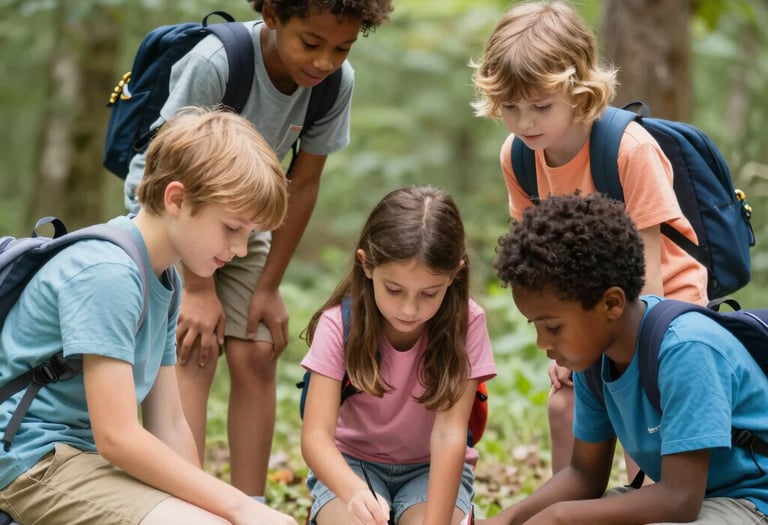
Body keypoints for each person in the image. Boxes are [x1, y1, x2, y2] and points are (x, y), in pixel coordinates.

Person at [122, 0, 394, 501]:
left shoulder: (335, 83)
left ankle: (251, 504)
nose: (324, 62)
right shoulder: (216, 63)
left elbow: (304, 184)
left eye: (342, 48)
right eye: (310, 43)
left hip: (245, 216)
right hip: (173, 212)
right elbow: (173, 173)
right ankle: (188, 499)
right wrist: (199, 290)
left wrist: (268, 286)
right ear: (272, 15)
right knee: (193, 347)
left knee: (260, 350)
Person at [0, 107, 298, 525]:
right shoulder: (109, 274)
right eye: (232, 228)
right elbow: (118, 437)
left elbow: (170, 423)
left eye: (249, 234)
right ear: (176, 198)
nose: (241, 250)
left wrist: (221, 505)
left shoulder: (163, 279)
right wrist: (239, 505)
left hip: (75, 458)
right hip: (28, 463)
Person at [470, 0, 708, 482]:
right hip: (585, 312)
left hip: (662, 310)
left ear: (578, 92)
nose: (525, 122)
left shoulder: (628, 149)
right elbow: (541, 261)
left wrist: (612, 347)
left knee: (642, 411)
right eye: (511, 108)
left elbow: (650, 272)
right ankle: (576, 504)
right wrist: (568, 345)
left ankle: (643, 500)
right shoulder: (518, 157)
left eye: (540, 106)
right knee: (563, 404)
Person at [482, 192, 768, 525]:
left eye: (553, 327)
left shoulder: (685, 349)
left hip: (749, 501)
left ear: (612, 304)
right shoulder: (595, 360)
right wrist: (505, 520)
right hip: (688, 500)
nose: (543, 343)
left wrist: (559, 517)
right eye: (536, 326)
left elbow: (680, 500)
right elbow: (583, 475)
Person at [299, 186, 497, 525]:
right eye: (394, 290)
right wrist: (353, 491)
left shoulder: (468, 322)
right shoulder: (338, 325)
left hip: (430, 469)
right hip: (351, 466)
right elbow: (316, 436)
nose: (409, 309)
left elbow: (450, 434)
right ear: (367, 266)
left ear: (453, 276)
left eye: (428, 293)